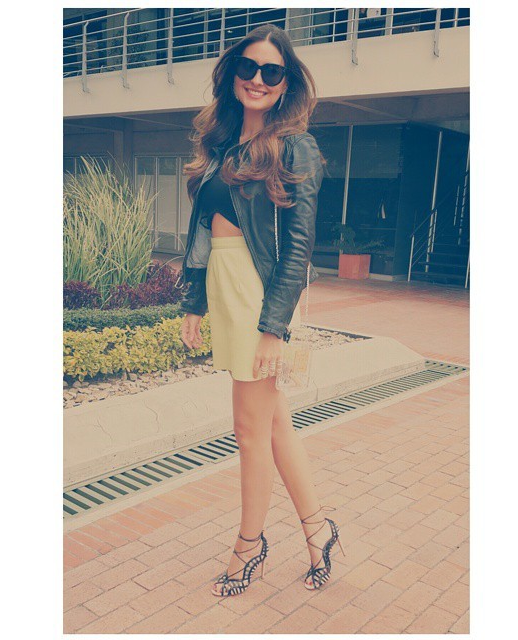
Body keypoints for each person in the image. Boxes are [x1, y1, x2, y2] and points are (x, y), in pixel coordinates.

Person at [177, 23, 345, 597]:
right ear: (232, 74)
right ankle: (318, 530)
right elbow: (204, 230)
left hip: (259, 295)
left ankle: (249, 546)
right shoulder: (222, 145)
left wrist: (275, 327)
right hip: (225, 288)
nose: (257, 79)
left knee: (249, 431)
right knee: (273, 424)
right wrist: (195, 301)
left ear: (286, 82)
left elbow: (299, 246)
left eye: (271, 71)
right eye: (247, 67)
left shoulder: (295, 146)